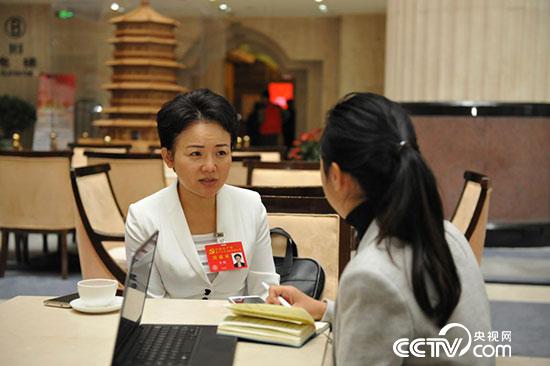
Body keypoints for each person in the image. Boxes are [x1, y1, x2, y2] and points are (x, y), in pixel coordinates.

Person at [266, 93, 492, 365]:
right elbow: (410, 320)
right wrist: (325, 310)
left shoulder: (371, 273)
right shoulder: (447, 234)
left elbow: (387, 298)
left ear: (336, 176)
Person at [125, 88, 279, 299]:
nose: (210, 166)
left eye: (221, 153)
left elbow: (264, 290)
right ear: (169, 157)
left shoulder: (250, 206)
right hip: (172, 329)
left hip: (238, 328)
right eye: (196, 154)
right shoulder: (143, 217)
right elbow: (146, 304)